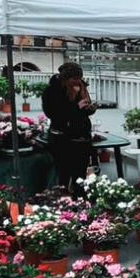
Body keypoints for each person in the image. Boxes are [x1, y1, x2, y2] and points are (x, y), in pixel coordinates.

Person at [42, 62, 96, 193]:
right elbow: (54, 115)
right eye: (75, 78)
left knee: (80, 176)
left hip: (81, 138)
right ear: (66, 78)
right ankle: (63, 202)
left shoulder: (80, 87)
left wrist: (89, 109)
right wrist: (76, 107)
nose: (79, 81)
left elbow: (81, 114)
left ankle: (79, 201)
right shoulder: (51, 92)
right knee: (63, 175)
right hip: (62, 139)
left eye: (80, 78)